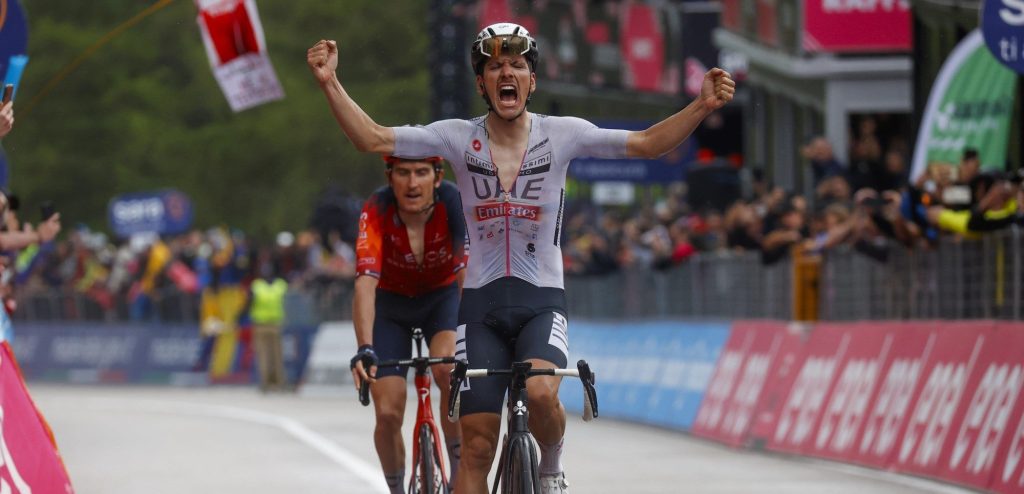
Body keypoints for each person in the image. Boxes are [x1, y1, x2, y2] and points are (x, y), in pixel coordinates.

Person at [308, 22, 734, 494]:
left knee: (540, 392)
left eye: (516, 65)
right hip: (480, 309)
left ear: (532, 81)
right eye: (494, 67)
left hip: (541, 302)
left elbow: (648, 143)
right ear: (481, 83)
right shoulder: (455, 138)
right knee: (475, 448)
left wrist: (701, 105)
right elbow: (371, 138)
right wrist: (330, 82)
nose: (506, 73)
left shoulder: (563, 134)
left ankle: (550, 467)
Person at [348, 155, 467, 494]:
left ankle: (459, 476)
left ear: (437, 177)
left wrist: (473, 332)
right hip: (391, 305)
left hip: (441, 298)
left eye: (421, 172)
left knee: (448, 371)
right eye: (403, 173)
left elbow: (466, 274)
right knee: (387, 413)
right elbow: (364, 283)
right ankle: (397, 489)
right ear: (390, 177)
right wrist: (365, 348)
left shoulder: (453, 201)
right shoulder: (377, 207)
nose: (412, 183)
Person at [240, 256, 289, 392]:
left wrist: (240, 317)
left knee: (263, 355)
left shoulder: (257, 286)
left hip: (261, 324)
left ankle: (266, 383)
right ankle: (279, 382)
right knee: (277, 355)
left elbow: (248, 303)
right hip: (275, 324)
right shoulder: (280, 285)